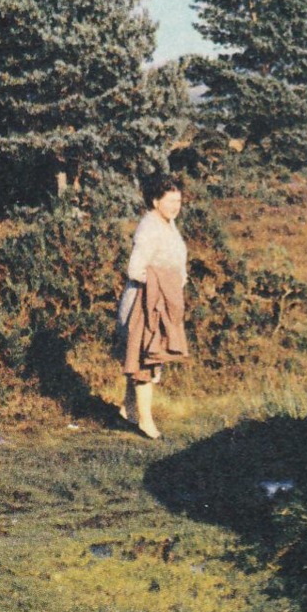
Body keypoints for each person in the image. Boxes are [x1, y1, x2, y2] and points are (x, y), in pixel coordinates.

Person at [116, 174, 189, 439]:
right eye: (170, 201)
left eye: (178, 200)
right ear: (156, 201)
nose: (175, 206)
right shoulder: (149, 226)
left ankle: (127, 409)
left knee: (142, 357)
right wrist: (164, 284)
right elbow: (135, 269)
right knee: (145, 361)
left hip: (161, 303)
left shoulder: (169, 224)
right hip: (144, 303)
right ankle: (146, 422)